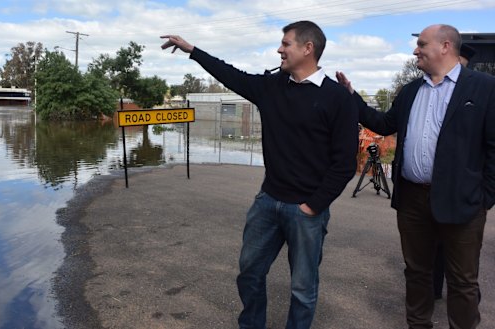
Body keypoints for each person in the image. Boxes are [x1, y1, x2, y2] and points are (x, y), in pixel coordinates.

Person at [162, 20, 359, 329]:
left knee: (303, 288)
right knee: (250, 273)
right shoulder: (271, 87)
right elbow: (231, 75)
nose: (279, 49)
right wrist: (193, 51)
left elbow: (345, 163)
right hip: (267, 202)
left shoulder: (339, 99)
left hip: (307, 210)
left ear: (308, 49)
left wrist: (313, 206)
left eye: (286, 43)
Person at [336, 24, 495, 329]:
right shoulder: (411, 90)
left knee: (462, 281)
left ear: (445, 46)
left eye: (422, 44)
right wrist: (351, 97)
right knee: (417, 273)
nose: (415, 50)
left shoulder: (484, 88)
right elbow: (383, 123)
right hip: (412, 200)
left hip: (462, 202)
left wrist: (484, 198)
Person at [432, 41, 477, 300]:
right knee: (432, 251)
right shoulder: (427, 90)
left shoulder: (479, 90)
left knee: (463, 264)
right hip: (429, 191)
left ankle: (464, 298)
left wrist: (485, 194)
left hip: (463, 193)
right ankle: (434, 289)